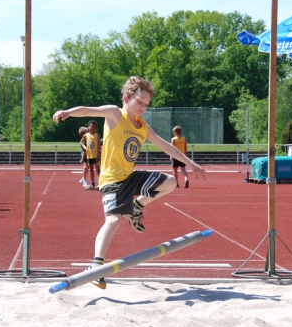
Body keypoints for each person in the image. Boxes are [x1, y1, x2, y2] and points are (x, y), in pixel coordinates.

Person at [52, 76, 206, 289]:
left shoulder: (142, 126)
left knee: (170, 182)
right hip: (111, 181)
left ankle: (136, 207)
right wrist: (67, 112)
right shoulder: (115, 113)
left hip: (130, 177)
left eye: (146, 104)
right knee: (113, 220)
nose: (143, 107)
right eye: (139, 102)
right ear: (126, 98)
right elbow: (88, 110)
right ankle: (96, 266)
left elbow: (166, 146)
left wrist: (190, 163)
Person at [81, 120, 101, 190]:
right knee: (91, 170)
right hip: (89, 155)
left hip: (96, 155)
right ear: (88, 127)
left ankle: (100, 184)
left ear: (95, 128)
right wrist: (84, 146)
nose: (92, 128)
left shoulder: (97, 136)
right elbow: (81, 142)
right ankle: (92, 184)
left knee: (98, 169)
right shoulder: (86, 135)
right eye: (91, 126)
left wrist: (98, 155)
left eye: (94, 127)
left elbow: (98, 146)